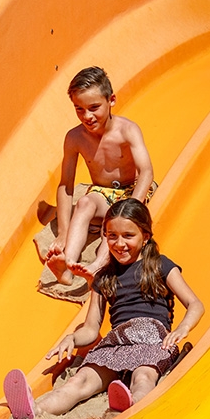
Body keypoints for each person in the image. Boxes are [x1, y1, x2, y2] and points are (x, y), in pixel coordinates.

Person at [5, 199, 204, 419]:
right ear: (105, 236)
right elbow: (91, 328)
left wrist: (182, 329)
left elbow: (195, 303)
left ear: (145, 236)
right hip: (117, 342)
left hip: (153, 339)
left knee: (143, 376)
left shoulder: (160, 265)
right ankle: (33, 410)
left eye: (128, 236)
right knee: (79, 382)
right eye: (112, 236)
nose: (120, 244)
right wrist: (72, 338)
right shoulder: (104, 277)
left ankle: (131, 405)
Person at [44, 67, 156, 287]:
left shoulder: (127, 130)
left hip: (131, 191)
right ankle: (67, 266)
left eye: (94, 108)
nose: (87, 116)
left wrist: (131, 208)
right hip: (102, 194)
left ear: (111, 100)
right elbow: (66, 185)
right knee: (84, 202)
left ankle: (96, 266)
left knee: (113, 228)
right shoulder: (75, 137)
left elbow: (146, 172)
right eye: (79, 109)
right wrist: (63, 232)